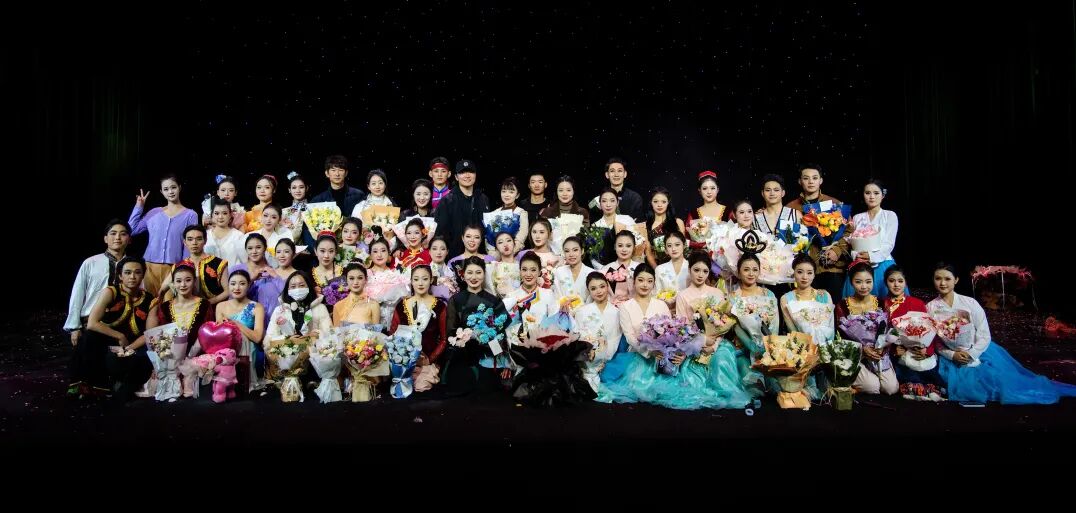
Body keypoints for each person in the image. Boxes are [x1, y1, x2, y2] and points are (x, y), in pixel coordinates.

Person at [128, 173, 199, 294]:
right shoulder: (154, 213)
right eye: (166, 189)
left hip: (173, 269)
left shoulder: (190, 215)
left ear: (179, 188)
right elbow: (132, 230)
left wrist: (183, 269)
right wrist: (139, 206)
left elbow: (189, 245)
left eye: (173, 187)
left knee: (168, 304)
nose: (170, 192)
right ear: (161, 192)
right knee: (149, 302)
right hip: (149, 267)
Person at [65, 219, 131, 348]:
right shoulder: (91, 263)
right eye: (113, 233)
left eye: (123, 234)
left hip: (123, 325)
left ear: (129, 239)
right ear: (105, 238)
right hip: (91, 325)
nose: (117, 237)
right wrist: (74, 327)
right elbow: (78, 294)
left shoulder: (133, 266)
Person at [433, 159, 491, 256]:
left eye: (470, 172)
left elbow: (488, 229)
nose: (467, 175)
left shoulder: (483, 199)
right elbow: (441, 233)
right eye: (462, 172)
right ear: (456, 177)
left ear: (475, 175)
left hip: (480, 256)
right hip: (455, 257)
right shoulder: (447, 201)